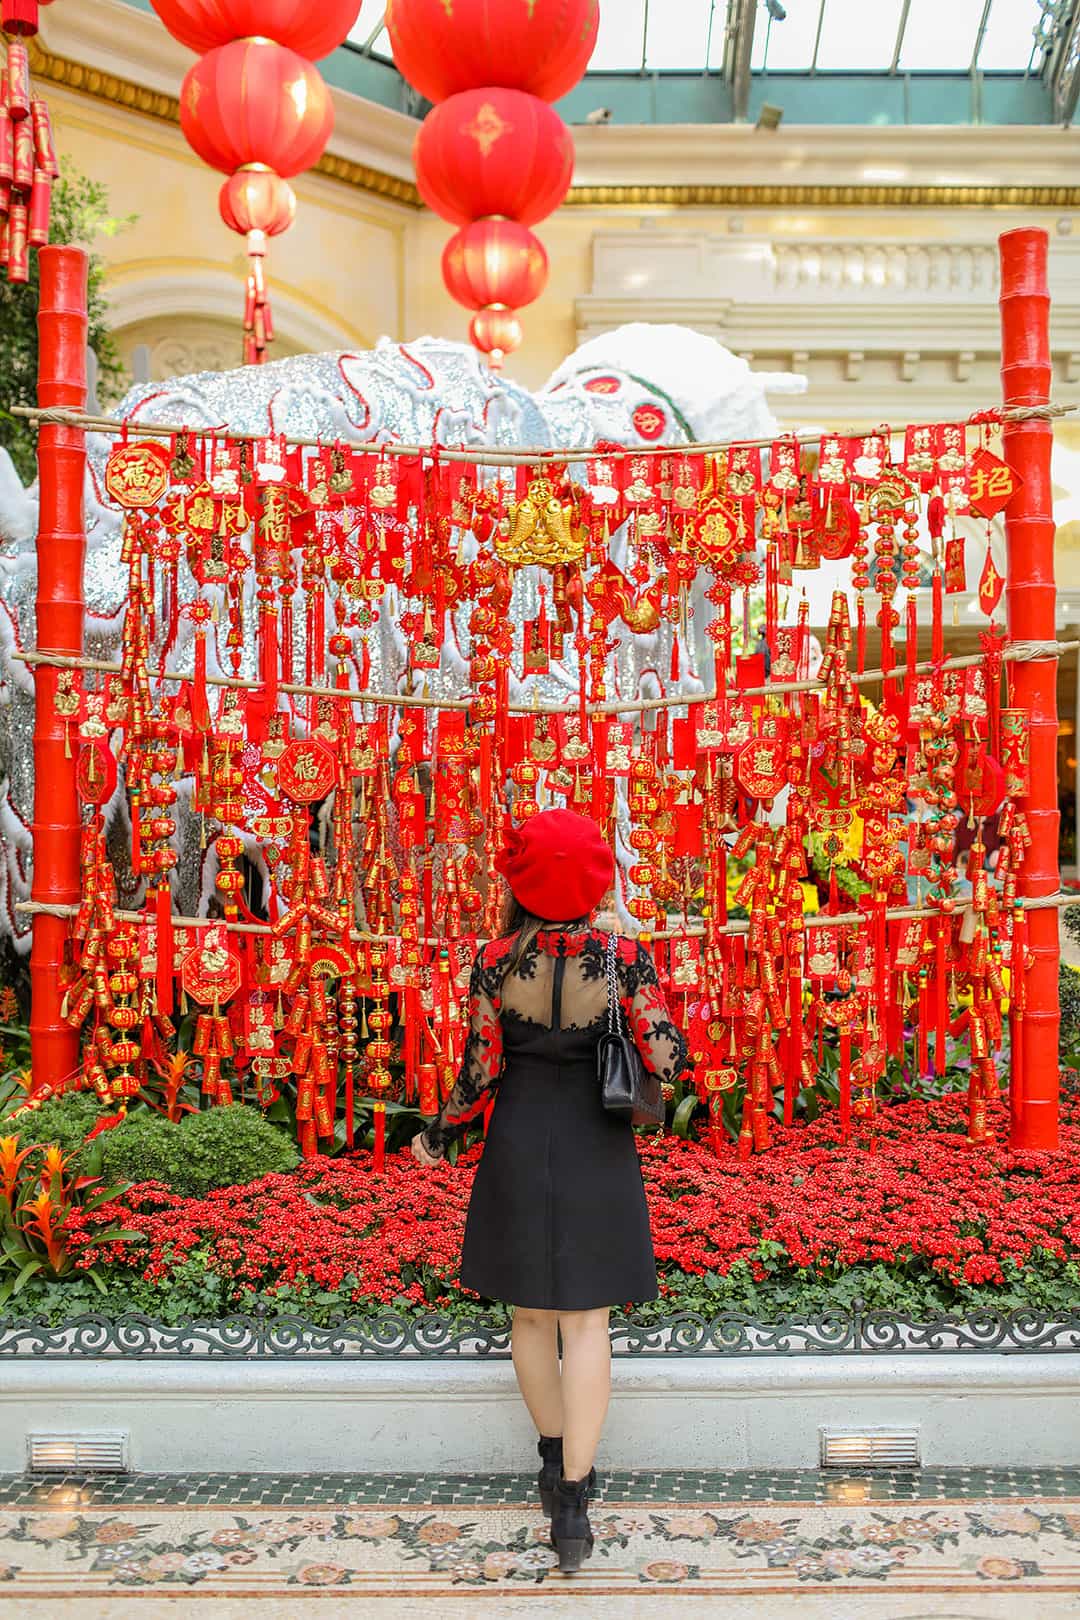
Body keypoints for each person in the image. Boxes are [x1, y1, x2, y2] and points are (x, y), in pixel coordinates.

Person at [410, 808, 690, 1574]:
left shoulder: (496, 959)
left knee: (530, 1316)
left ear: (520, 880)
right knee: (588, 1323)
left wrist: (436, 1137)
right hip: (597, 1145)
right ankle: (573, 1503)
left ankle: (551, 1457)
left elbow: (477, 1073)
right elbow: (668, 1056)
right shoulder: (624, 957)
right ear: (598, 877)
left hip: (518, 1138)